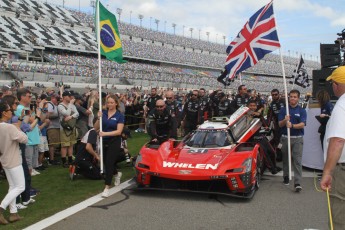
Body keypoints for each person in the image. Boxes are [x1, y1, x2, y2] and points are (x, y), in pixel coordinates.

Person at [320, 66, 345, 229]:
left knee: (339, 216)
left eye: (333, 83)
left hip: (342, 170)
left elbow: (338, 140)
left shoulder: (342, 105)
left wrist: (327, 172)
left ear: (337, 84)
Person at [0, 102, 28, 225]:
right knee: (21, 186)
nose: (12, 111)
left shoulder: (5, 127)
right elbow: (24, 139)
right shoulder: (9, 127)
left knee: (13, 186)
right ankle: (1, 208)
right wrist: (18, 128)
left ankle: (13, 213)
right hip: (13, 160)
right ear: (4, 113)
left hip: (5, 159)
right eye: (9, 109)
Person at [95, 95, 124, 198]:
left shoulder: (120, 115)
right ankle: (116, 174)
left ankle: (107, 187)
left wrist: (105, 134)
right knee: (106, 163)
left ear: (116, 103)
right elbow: (95, 127)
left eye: (112, 102)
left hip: (114, 141)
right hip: (103, 141)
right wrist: (99, 118)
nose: (110, 104)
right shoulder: (103, 113)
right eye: (108, 102)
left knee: (109, 162)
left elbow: (119, 131)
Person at [278, 89, 307, 192]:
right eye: (291, 96)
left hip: (297, 139)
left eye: (295, 97)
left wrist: (292, 125)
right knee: (286, 159)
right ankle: (286, 176)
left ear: (298, 98)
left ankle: (297, 182)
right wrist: (285, 120)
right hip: (285, 138)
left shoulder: (302, 110)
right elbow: (280, 124)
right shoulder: (283, 110)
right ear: (288, 97)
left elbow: (303, 124)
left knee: (297, 161)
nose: (293, 98)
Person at [58, 91, 79, 167]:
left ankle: (70, 159)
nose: (70, 97)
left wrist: (71, 117)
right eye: (69, 96)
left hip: (72, 126)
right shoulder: (60, 106)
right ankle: (64, 161)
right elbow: (66, 113)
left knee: (71, 144)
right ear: (64, 97)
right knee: (64, 145)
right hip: (64, 128)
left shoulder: (72, 105)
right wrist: (70, 105)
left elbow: (77, 114)